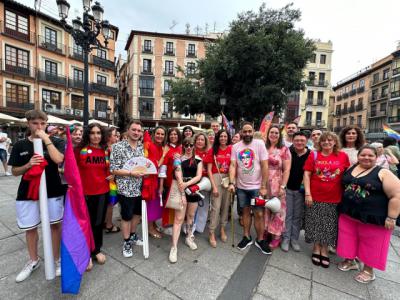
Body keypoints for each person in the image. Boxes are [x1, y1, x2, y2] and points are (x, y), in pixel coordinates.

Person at [8, 110, 65, 282]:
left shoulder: (56, 141)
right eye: (35, 123)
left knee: (55, 225)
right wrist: (28, 164)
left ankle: (57, 259)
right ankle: (33, 260)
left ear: (47, 124)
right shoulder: (20, 145)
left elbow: (58, 159)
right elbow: (14, 171)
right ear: (28, 124)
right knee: (30, 228)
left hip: (53, 190)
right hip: (27, 192)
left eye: (42, 123)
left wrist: (46, 139)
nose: (39, 127)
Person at [337, 145, 400, 283]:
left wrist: (392, 217)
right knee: (348, 238)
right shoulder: (352, 168)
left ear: (376, 157)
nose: (366, 158)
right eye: (363, 155)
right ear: (358, 156)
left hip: (373, 217)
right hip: (349, 213)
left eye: (370, 155)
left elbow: (397, 195)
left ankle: (368, 270)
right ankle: (350, 260)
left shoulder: (383, 172)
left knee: (373, 243)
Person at [303, 131, 350, 268]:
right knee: (315, 222)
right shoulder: (314, 154)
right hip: (315, 195)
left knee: (329, 225)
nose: (326, 142)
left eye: (330, 140)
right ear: (319, 142)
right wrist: (307, 193)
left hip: (334, 197)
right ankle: (316, 247)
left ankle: (325, 249)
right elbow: (307, 174)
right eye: (323, 140)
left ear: (335, 142)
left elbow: (348, 174)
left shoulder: (342, 156)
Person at [228, 122, 270, 254]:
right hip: (241, 187)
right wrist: (231, 182)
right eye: (245, 131)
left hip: (257, 187)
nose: (247, 134)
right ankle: (247, 237)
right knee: (245, 212)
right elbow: (233, 165)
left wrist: (263, 186)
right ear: (241, 132)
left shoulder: (259, 144)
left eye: (249, 131)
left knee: (259, 213)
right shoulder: (235, 147)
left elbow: (264, 165)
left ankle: (260, 239)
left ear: (253, 132)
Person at [75, 123, 111, 267]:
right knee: (85, 223)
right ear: (87, 135)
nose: (96, 136)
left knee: (97, 223)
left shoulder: (105, 151)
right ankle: (85, 253)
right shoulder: (80, 150)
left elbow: (108, 169)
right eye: (92, 133)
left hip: (102, 192)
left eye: (98, 133)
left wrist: (111, 176)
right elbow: (71, 171)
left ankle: (96, 250)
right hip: (84, 193)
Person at [110, 120, 145, 258]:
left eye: (139, 130)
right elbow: (113, 169)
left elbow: (141, 165)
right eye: (134, 130)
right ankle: (126, 242)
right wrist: (130, 173)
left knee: (137, 215)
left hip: (139, 187)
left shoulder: (141, 147)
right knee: (126, 216)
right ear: (128, 131)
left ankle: (132, 235)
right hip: (125, 189)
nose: (136, 132)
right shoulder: (118, 147)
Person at [169, 137, 203, 263]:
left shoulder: (199, 160)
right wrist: (183, 191)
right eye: (186, 145)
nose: (189, 147)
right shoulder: (178, 159)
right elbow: (178, 176)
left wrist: (187, 184)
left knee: (190, 216)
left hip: (193, 190)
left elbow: (199, 176)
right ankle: (174, 247)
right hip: (180, 189)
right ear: (183, 146)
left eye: (191, 145)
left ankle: (189, 237)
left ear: (194, 146)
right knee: (178, 219)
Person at [282, 132, 310, 252]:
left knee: (297, 216)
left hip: (301, 190)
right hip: (288, 188)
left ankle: (294, 239)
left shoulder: (311, 154)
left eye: (302, 140)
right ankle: (286, 238)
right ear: (293, 141)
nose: (299, 143)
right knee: (287, 215)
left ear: (306, 141)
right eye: (297, 140)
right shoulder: (287, 152)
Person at [264, 125, 291, 249]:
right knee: (265, 207)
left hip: (277, 182)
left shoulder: (284, 149)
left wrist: (283, 186)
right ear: (268, 134)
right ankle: (266, 231)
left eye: (276, 133)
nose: (273, 134)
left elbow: (287, 170)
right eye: (271, 132)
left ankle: (276, 236)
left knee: (278, 210)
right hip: (264, 182)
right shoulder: (264, 148)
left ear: (279, 135)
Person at [205, 129, 232, 247]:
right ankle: (211, 232)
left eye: (225, 136)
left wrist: (232, 182)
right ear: (218, 138)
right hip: (216, 178)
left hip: (228, 178)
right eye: (221, 136)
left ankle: (222, 228)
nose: (223, 138)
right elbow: (209, 170)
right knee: (215, 207)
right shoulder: (213, 150)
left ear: (228, 138)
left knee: (226, 206)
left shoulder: (232, 149)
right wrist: (214, 187)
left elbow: (234, 165)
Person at [146, 126, 168, 238]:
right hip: (149, 180)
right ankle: (150, 228)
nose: (160, 136)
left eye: (162, 134)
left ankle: (153, 224)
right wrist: (163, 156)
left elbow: (162, 167)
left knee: (156, 204)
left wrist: (161, 184)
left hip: (158, 179)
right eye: (158, 133)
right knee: (151, 204)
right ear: (154, 134)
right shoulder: (149, 145)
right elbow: (152, 165)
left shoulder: (162, 147)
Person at [160, 128, 182, 230]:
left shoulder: (182, 148)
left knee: (178, 202)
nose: (173, 136)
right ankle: (166, 223)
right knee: (168, 203)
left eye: (175, 134)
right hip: (169, 181)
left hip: (181, 181)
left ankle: (176, 223)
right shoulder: (166, 148)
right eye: (171, 134)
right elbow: (163, 168)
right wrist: (161, 185)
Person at [192, 132, 210, 234]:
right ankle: (190, 225)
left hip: (204, 182)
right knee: (192, 205)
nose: (200, 141)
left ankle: (199, 227)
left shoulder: (209, 153)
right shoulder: (191, 151)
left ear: (205, 142)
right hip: (193, 181)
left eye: (202, 140)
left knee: (203, 205)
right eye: (198, 139)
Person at [104, 127, 121, 233]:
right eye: (115, 135)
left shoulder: (111, 148)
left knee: (110, 202)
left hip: (111, 179)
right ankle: (109, 224)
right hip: (109, 180)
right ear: (109, 136)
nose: (117, 137)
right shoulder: (108, 149)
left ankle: (106, 222)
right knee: (110, 203)